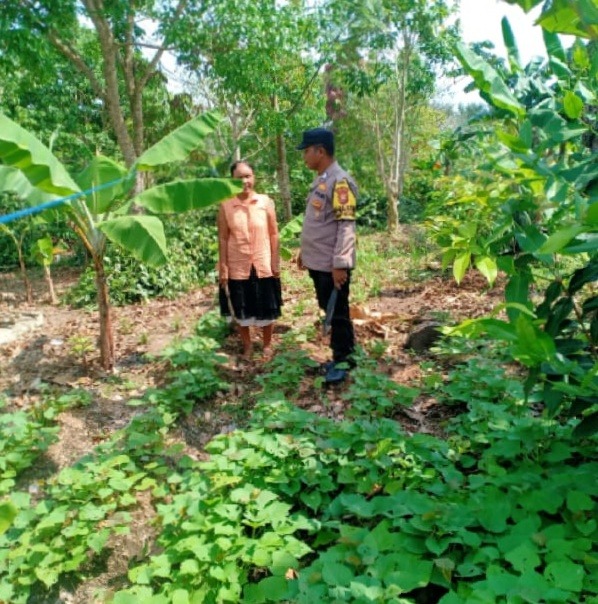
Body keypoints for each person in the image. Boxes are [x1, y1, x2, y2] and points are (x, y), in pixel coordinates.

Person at [296, 128, 357, 384]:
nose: (304, 157)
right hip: (319, 261)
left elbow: (346, 225)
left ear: (320, 151)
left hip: (331, 264)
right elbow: (318, 222)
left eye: (306, 151)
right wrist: (305, 251)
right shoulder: (322, 179)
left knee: (338, 312)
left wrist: (341, 263)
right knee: (329, 309)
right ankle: (341, 354)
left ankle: (344, 361)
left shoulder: (340, 182)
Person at [217, 161, 282, 360]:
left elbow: (274, 233)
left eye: (248, 176)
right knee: (241, 307)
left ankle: (267, 345)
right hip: (237, 264)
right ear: (232, 180)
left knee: (267, 306)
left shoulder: (265, 202)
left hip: (263, 262)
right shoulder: (226, 206)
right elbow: (223, 238)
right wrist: (223, 266)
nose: (244, 181)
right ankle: (247, 346)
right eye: (239, 178)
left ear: (254, 177)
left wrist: (275, 260)